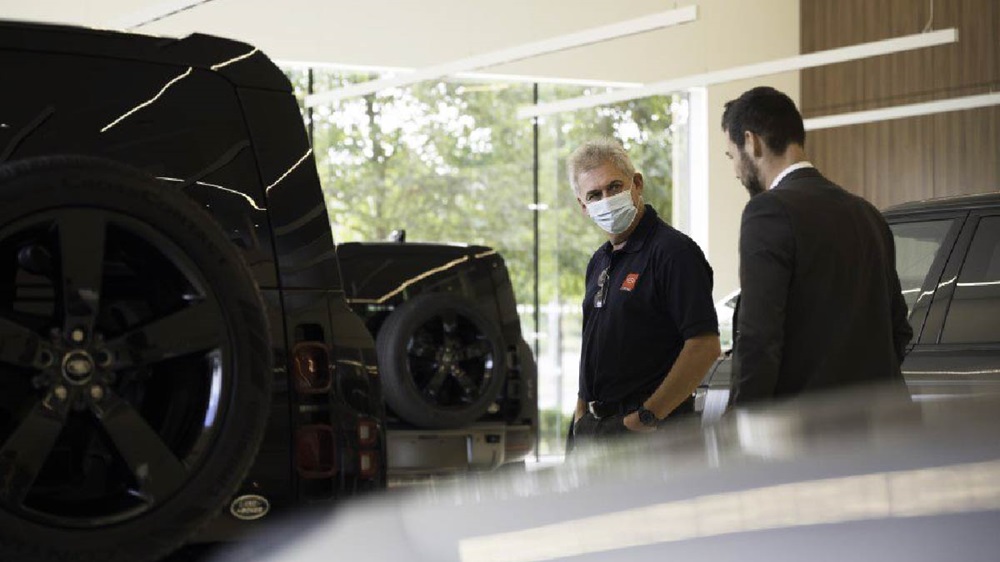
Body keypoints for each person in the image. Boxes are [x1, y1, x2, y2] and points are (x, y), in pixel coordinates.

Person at [721, 86, 913, 405]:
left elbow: (759, 340)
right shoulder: (867, 214)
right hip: (884, 430)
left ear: (751, 142)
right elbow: (899, 331)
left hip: (808, 434)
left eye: (732, 156)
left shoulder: (768, 211)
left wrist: (743, 427)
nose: (736, 172)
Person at [567, 138, 721, 447]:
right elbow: (592, 345)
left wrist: (647, 417)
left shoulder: (673, 252)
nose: (607, 200)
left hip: (652, 433)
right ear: (584, 206)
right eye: (595, 195)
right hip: (596, 430)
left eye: (614, 187)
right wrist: (581, 413)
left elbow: (704, 346)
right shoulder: (599, 261)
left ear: (637, 184)